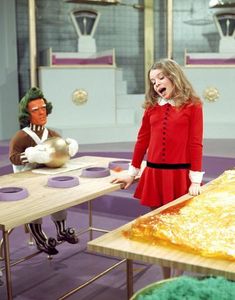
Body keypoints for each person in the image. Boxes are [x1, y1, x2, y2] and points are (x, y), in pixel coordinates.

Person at [112, 58, 204, 278]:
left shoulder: (193, 106)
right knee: (158, 231)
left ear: (174, 77)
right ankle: (165, 278)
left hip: (179, 177)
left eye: (160, 77)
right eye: (153, 81)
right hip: (154, 176)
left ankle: (177, 278)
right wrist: (132, 173)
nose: (156, 84)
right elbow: (142, 141)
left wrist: (195, 180)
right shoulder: (152, 108)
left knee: (177, 230)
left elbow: (195, 143)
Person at [9, 87, 79, 256]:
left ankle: (61, 230)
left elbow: (59, 150)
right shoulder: (21, 136)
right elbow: (13, 157)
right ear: (27, 114)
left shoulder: (52, 133)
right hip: (28, 181)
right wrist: (30, 155)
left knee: (59, 199)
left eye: (43, 108)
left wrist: (67, 149)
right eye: (35, 110)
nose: (41, 113)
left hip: (49, 178)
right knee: (34, 207)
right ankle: (39, 237)